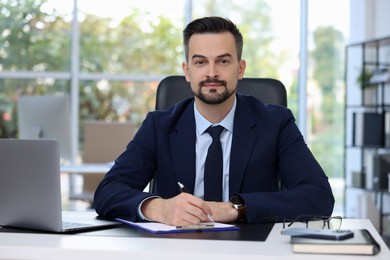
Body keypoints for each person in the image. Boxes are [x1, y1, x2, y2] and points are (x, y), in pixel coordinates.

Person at [94, 16, 334, 226]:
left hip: (251, 252)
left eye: (223, 61)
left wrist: (234, 209)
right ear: (187, 71)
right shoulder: (159, 126)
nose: (211, 73)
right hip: (174, 251)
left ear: (240, 69)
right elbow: (108, 192)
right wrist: (158, 208)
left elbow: (318, 196)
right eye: (200, 62)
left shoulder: (275, 122)